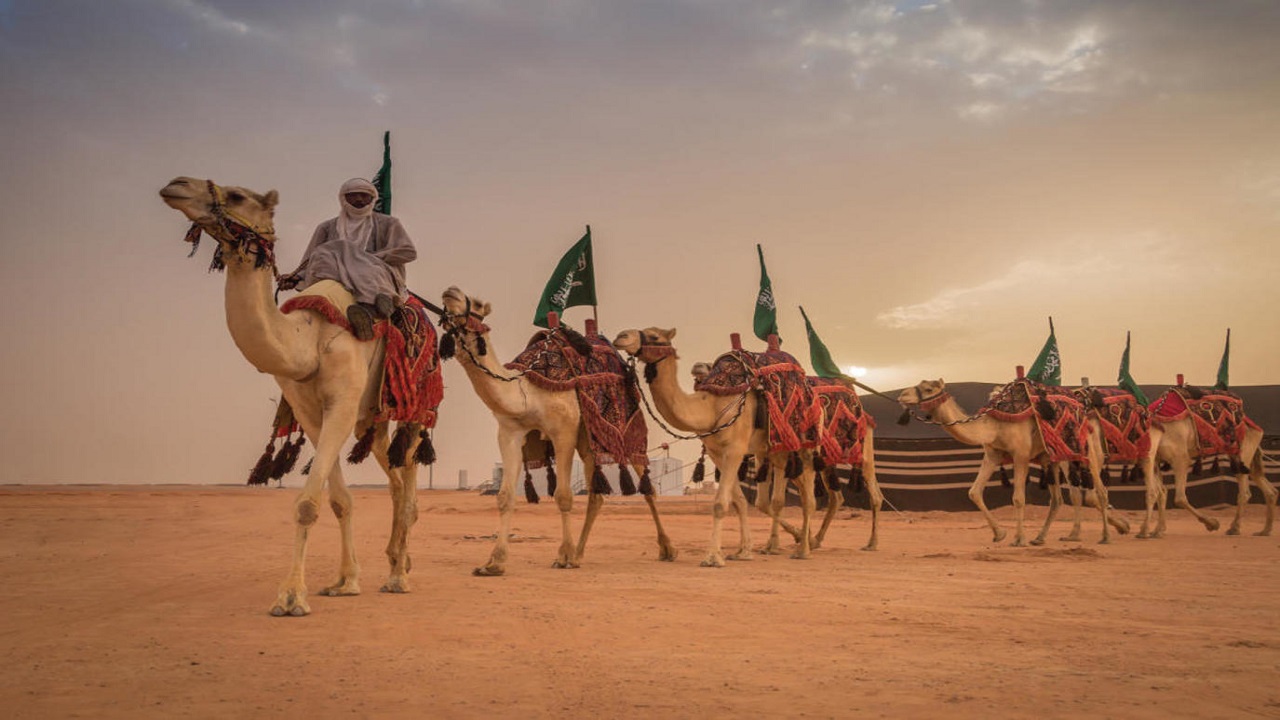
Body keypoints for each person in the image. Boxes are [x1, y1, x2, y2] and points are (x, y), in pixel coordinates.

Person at [278, 178, 417, 340]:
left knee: (358, 263)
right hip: (335, 276)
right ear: (343, 198)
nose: (359, 199)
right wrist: (296, 277)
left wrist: (366, 258)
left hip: (377, 273)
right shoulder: (327, 227)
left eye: (364, 196)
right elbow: (311, 259)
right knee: (323, 254)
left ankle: (372, 311)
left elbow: (408, 252)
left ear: (373, 199)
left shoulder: (388, 223)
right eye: (353, 195)